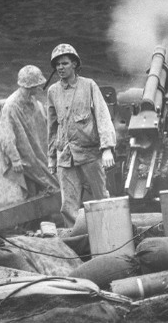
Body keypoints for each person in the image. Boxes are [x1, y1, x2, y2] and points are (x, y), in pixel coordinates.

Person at [47, 44, 117, 227]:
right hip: (65, 156)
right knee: (68, 206)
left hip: (90, 154)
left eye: (64, 63)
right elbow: (52, 127)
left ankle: (109, 237)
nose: (60, 68)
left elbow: (103, 116)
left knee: (101, 199)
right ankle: (77, 245)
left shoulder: (89, 86)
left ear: (75, 64)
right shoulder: (53, 92)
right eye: (57, 65)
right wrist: (51, 157)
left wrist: (107, 148)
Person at [0, 65, 59, 205]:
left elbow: (41, 123)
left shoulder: (33, 101)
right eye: (36, 85)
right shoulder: (11, 106)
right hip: (22, 156)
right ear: (29, 86)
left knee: (42, 182)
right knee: (27, 190)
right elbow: (6, 135)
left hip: (34, 151)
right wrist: (15, 159)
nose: (39, 88)